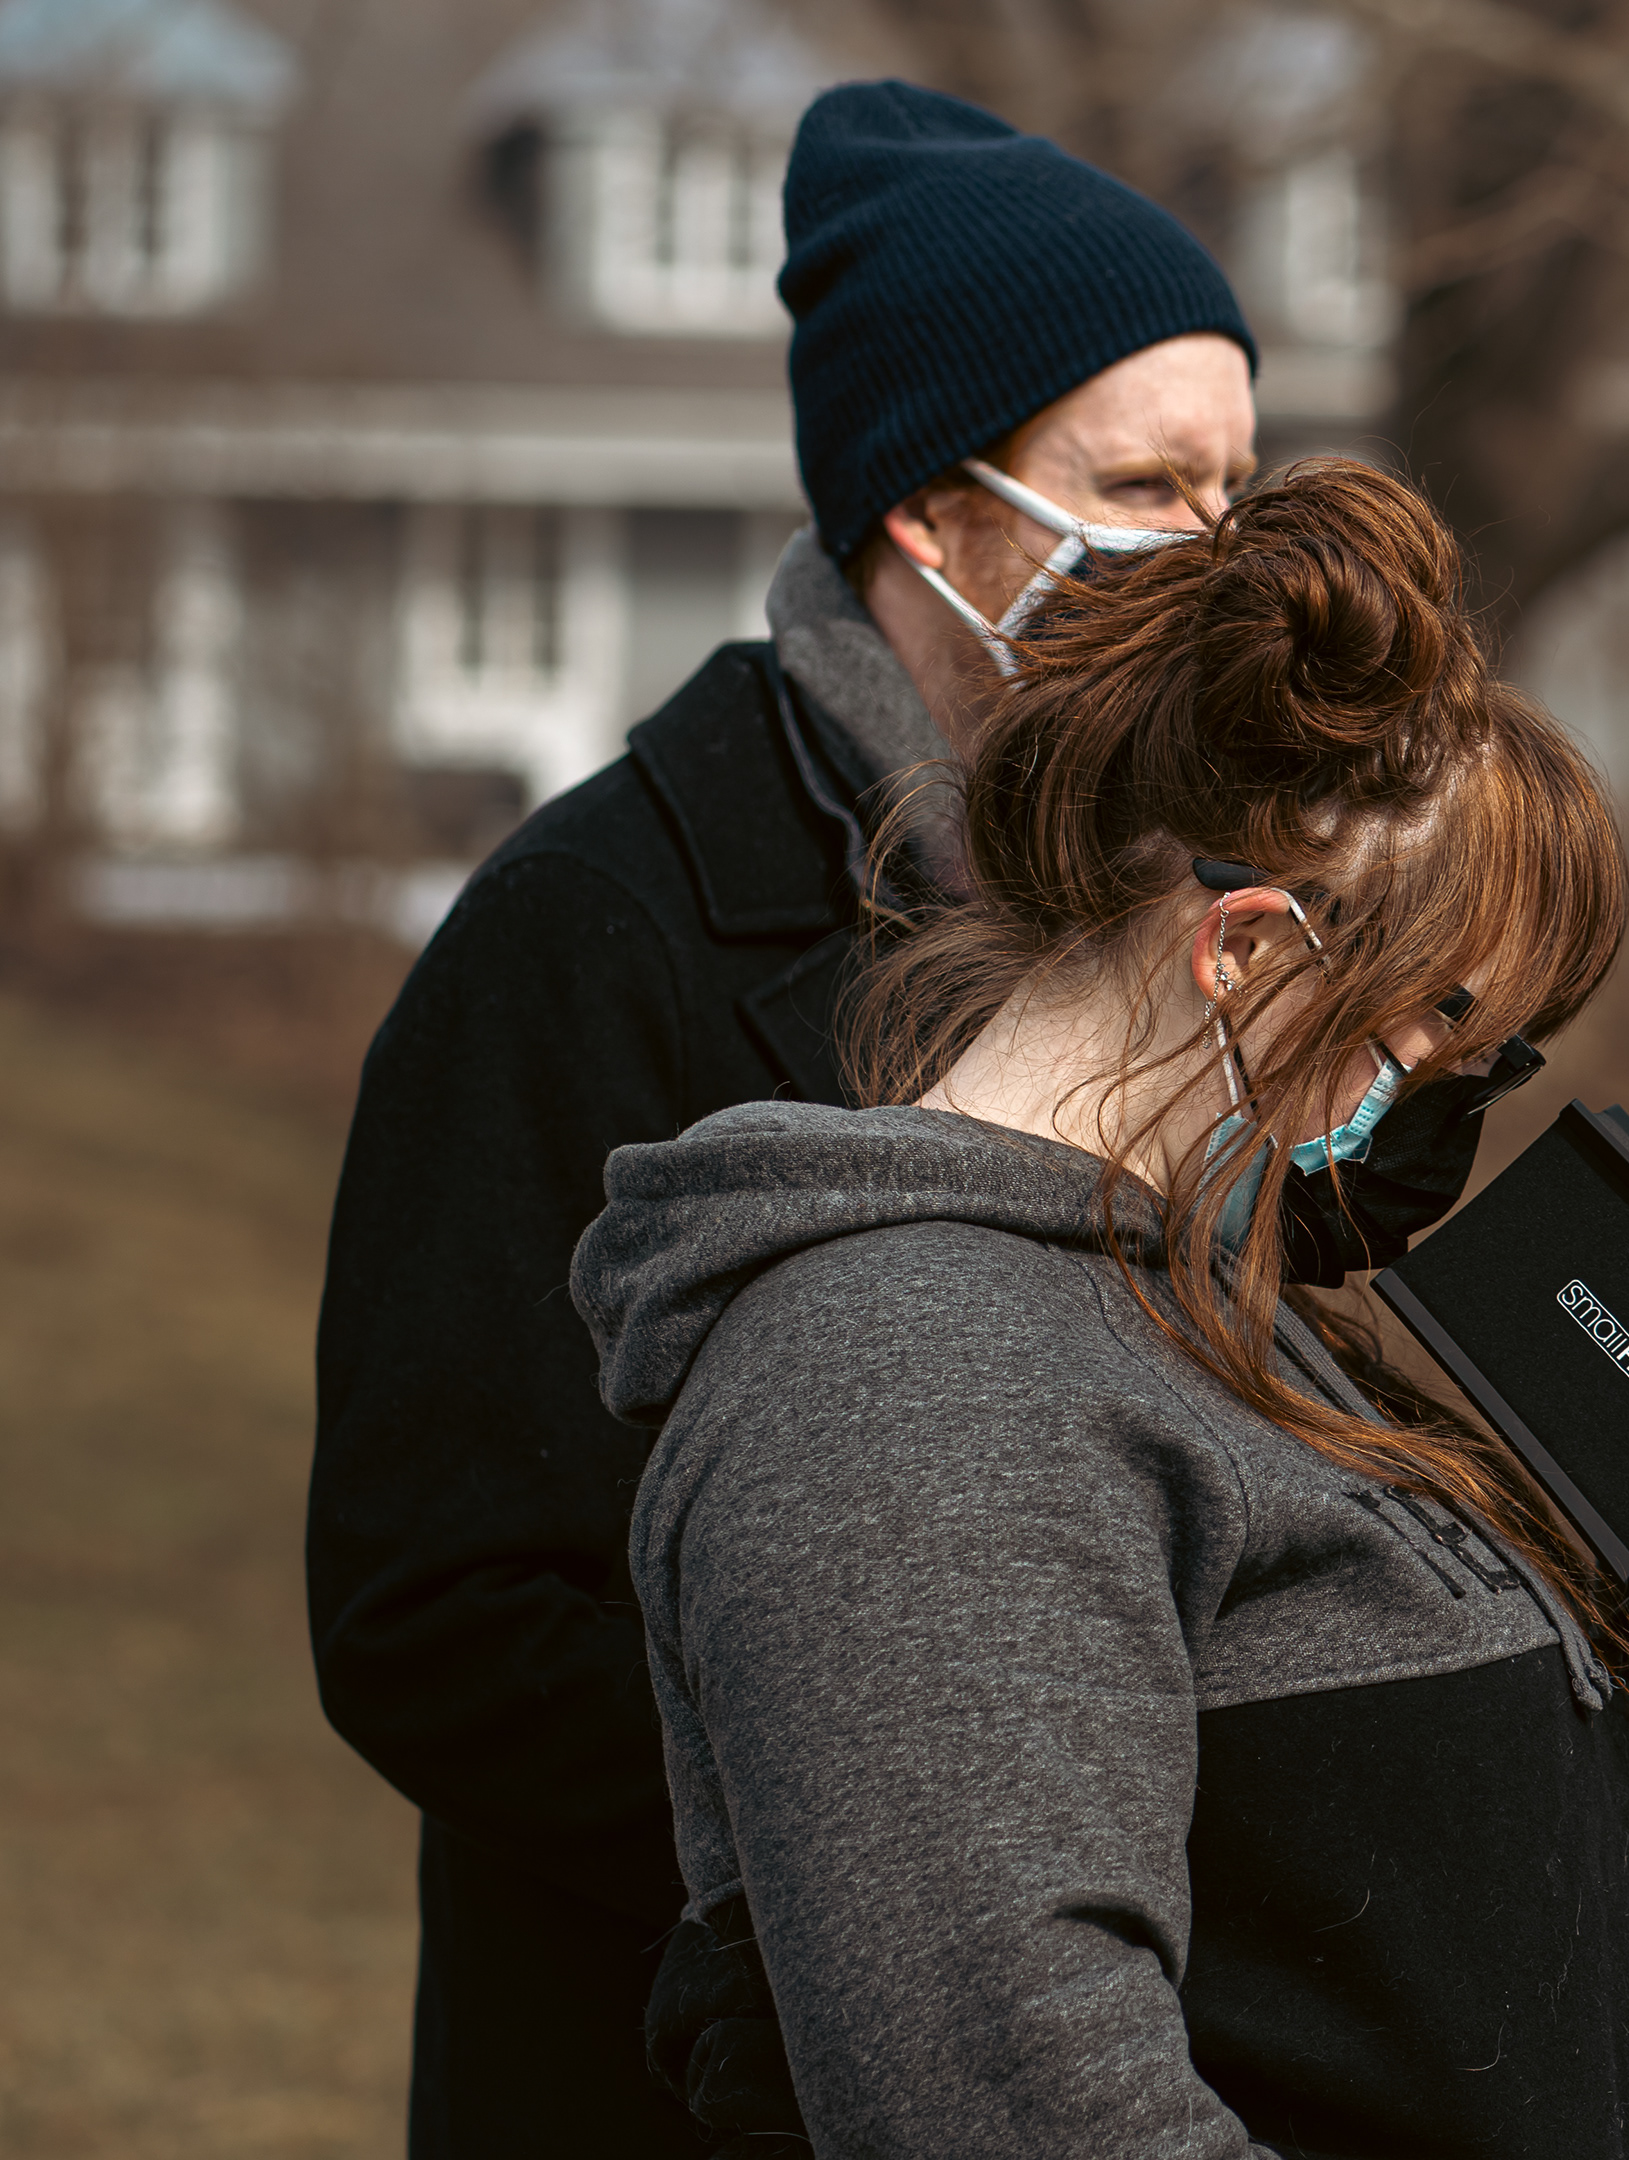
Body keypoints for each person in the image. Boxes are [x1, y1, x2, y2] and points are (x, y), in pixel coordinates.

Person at [565, 455, 1629, 2158]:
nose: (1456, 1101)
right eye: (1446, 1036)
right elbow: (1025, 2110)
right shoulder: (905, 1385)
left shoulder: (1228, 1326)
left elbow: (1456, 1998)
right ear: (1252, 956)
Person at [310, 81, 1269, 2153]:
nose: (1213, 552)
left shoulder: (1172, 899)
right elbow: (432, 1617)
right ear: (931, 510)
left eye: (1236, 485)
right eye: (1146, 485)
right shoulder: (591, 930)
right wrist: (875, 1853)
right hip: (671, 2082)